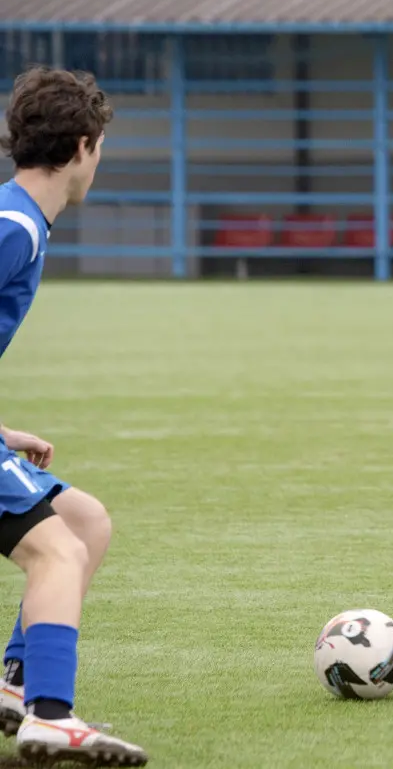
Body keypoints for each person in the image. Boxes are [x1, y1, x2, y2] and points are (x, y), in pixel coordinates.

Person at [0, 68, 147, 765]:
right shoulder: (15, 226)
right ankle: (51, 715)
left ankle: (16, 681)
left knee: (85, 521)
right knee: (56, 549)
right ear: (83, 146)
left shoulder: (19, 221)